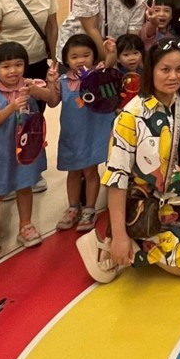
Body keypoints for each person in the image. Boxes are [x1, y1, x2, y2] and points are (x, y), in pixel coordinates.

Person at [91, 40, 180, 282]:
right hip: (147, 203)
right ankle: (133, 244)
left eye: (179, 69)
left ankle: (156, 244)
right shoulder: (130, 116)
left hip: (179, 190)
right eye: (165, 69)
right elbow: (116, 178)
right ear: (151, 70)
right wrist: (120, 235)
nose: (173, 76)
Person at [0, 42, 61, 262]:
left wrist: (44, 86)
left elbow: (52, 100)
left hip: (26, 150)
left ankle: (26, 225)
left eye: (18, 64)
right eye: (6, 66)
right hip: (0, 153)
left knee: (25, 186)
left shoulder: (31, 84)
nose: (13, 71)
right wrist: (12, 107)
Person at [54, 34, 114, 233]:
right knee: (72, 172)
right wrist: (44, 86)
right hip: (72, 135)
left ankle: (89, 209)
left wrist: (111, 52)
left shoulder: (98, 75)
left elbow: (109, 65)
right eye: (74, 57)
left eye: (86, 55)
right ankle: (73, 208)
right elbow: (52, 101)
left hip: (93, 134)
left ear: (94, 56)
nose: (80, 60)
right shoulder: (62, 81)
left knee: (90, 172)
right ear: (66, 59)